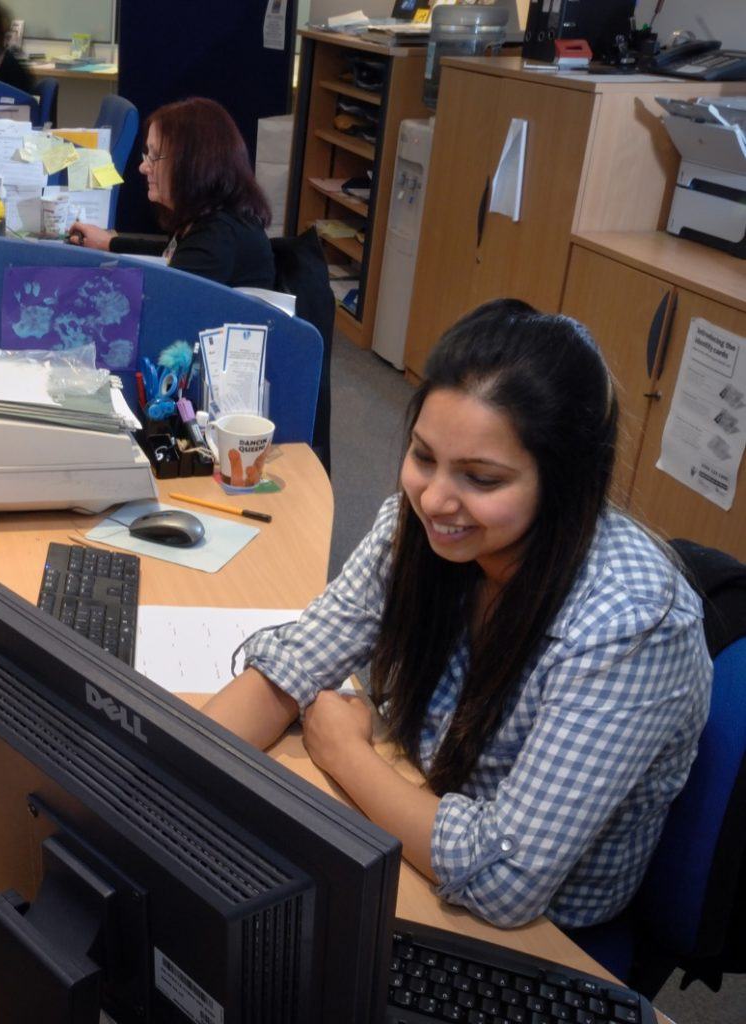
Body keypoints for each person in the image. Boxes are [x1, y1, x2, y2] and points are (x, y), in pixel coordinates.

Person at [202, 299, 711, 931]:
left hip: (541, 933)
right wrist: (166, 772)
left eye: (482, 479)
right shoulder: (419, 527)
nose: (434, 498)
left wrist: (344, 753)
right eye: (423, 456)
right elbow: (295, 661)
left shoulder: (630, 624)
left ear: (564, 482)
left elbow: (504, 880)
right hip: (421, 804)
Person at [68, 97, 276, 290]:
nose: (143, 167)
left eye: (155, 156)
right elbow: (170, 253)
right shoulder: (206, 217)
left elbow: (165, 298)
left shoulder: (217, 239)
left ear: (192, 164)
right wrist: (108, 242)